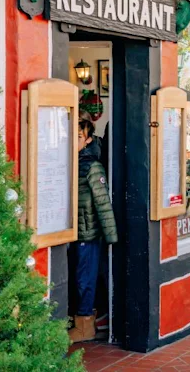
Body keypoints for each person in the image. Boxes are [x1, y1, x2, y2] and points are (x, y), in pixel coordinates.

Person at [69, 119, 118, 343]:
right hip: (73, 231)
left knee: (84, 279)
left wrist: (111, 237)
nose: (74, 140)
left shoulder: (92, 166)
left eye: (79, 136)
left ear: (88, 140)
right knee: (79, 277)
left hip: (87, 233)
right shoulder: (70, 161)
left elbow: (103, 203)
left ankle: (85, 325)